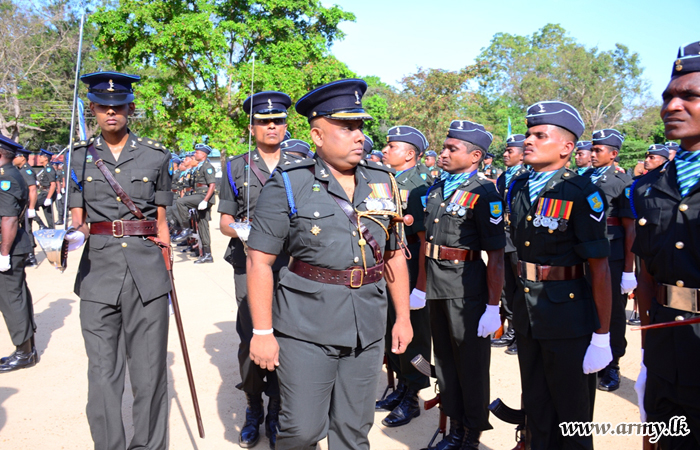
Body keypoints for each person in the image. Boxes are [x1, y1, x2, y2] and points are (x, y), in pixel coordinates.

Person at [246, 78, 413, 449]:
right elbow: (259, 261)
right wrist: (262, 333)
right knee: (302, 429)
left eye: (360, 127)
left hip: (367, 324)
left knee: (353, 431)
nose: (358, 136)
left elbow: (393, 254)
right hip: (307, 325)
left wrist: (402, 317)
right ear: (318, 135)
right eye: (346, 127)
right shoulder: (290, 184)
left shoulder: (383, 181)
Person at [65, 71, 173, 450]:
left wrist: (167, 266)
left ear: (129, 108)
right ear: (92, 109)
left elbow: (161, 220)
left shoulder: (156, 156)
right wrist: (66, 240)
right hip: (98, 276)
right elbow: (78, 222)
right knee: (103, 374)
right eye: (102, 106)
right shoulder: (78, 158)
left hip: (147, 274)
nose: (110, 112)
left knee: (149, 375)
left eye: (118, 106)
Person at [509, 101, 612, 449]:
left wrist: (602, 334)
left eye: (540, 135)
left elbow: (599, 268)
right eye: (528, 134)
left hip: (568, 316)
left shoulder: (583, 193)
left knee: (573, 416)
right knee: (536, 407)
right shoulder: (520, 187)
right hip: (528, 314)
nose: (528, 140)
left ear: (567, 147)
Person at [420, 120, 505, 450]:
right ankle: (454, 426)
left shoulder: (485, 192)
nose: (443, 153)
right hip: (437, 288)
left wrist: (493, 306)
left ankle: (471, 433)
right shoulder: (440, 187)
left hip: (466, 290)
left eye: (451, 149)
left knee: (470, 366)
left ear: (474, 156)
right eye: (443, 147)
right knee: (444, 362)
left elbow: (495, 255)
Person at [633, 42, 700, 449]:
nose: (671, 106)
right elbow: (648, 273)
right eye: (668, 97)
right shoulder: (648, 186)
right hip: (665, 342)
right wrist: (645, 351)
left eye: (689, 96)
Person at [219, 90, 292, 448]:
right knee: (252, 336)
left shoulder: (300, 164)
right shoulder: (235, 167)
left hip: (292, 264)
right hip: (248, 262)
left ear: (286, 124)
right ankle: (253, 407)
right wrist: (245, 231)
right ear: (252, 127)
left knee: (287, 336)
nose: (271, 127)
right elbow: (224, 222)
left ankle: (277, 407)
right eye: (264, 122)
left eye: (277, 121)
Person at [375, 125, 432, 428]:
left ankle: (414, 395)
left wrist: (420, 286)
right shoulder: (388, 181)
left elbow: (424, 240)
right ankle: (401, 388)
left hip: (410, 265)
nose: (385, 151)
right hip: (389, 262)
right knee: (391, 329)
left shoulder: (420, 185)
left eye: (392, 146)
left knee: (416, 335)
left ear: (410, 154)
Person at [586, 128, 635, 392]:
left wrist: (629, 269)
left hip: (611, 255)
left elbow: (630, 228)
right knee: (586, 305)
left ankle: (612, 364)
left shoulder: (623, 182)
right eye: (592, 149)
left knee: (613, 310)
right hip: (585, 253)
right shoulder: (583, 177)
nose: (592, 154)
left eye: (598, 150)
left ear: (613, 154)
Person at [0, 136, 37, 373]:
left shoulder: (6, 178)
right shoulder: (11, 174)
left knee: (11, 299)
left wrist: (3, 253)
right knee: (18, 296)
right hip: (14, 246)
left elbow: (9, 218)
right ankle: (27, 348)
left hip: (9, 248)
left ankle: (24, 353)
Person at [491, 134, 529, 355]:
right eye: (505, 151)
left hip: (518, 237)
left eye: (510, 151)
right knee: (506, 286)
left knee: (520, 285)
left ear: (522, 155)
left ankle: (520, 331)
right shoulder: (504, 177)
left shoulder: (527, 176)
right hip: (504, 236)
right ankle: (512, 329)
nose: (505, 154)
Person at [175, 143, 216, 263]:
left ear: (203, 154)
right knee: (203, 226)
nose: (195, 154)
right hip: (198, 196)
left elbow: (212, 185)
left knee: (180, 202)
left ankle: (186, 228)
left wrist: (205, 200)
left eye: (197, 152)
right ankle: (207, 255)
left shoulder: (207, 167)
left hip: (203, 196)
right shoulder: (198, 167)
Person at [13, 147, 38, 267]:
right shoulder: (21, 169)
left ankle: (31, 257)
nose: (14, 158)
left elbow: (32, 189)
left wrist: (31, 208)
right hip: (23, 205)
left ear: (22, 157)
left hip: (26, 206)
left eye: (16, 156)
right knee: (25, 229)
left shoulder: (26, 170)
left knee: (27, 230)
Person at [35, 148, 56, 228]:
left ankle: (41, 224)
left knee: (30, 206)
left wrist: (48, 197)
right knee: (48, 214)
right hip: (45, 191)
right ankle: (52, 229)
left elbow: (53, 184)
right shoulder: (45, 168)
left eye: (41, 156)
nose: (39, 158)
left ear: (45, 158)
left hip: (46, 193)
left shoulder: (49, 169)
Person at [54, 160, 66, 225]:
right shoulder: (59, 172)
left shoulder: (61, 172)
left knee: (60, 205)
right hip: (60, 190)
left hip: (60, 190)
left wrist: (62, 189)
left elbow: (63, 181)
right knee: (60, 205)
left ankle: (61, 219)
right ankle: (61, 218)